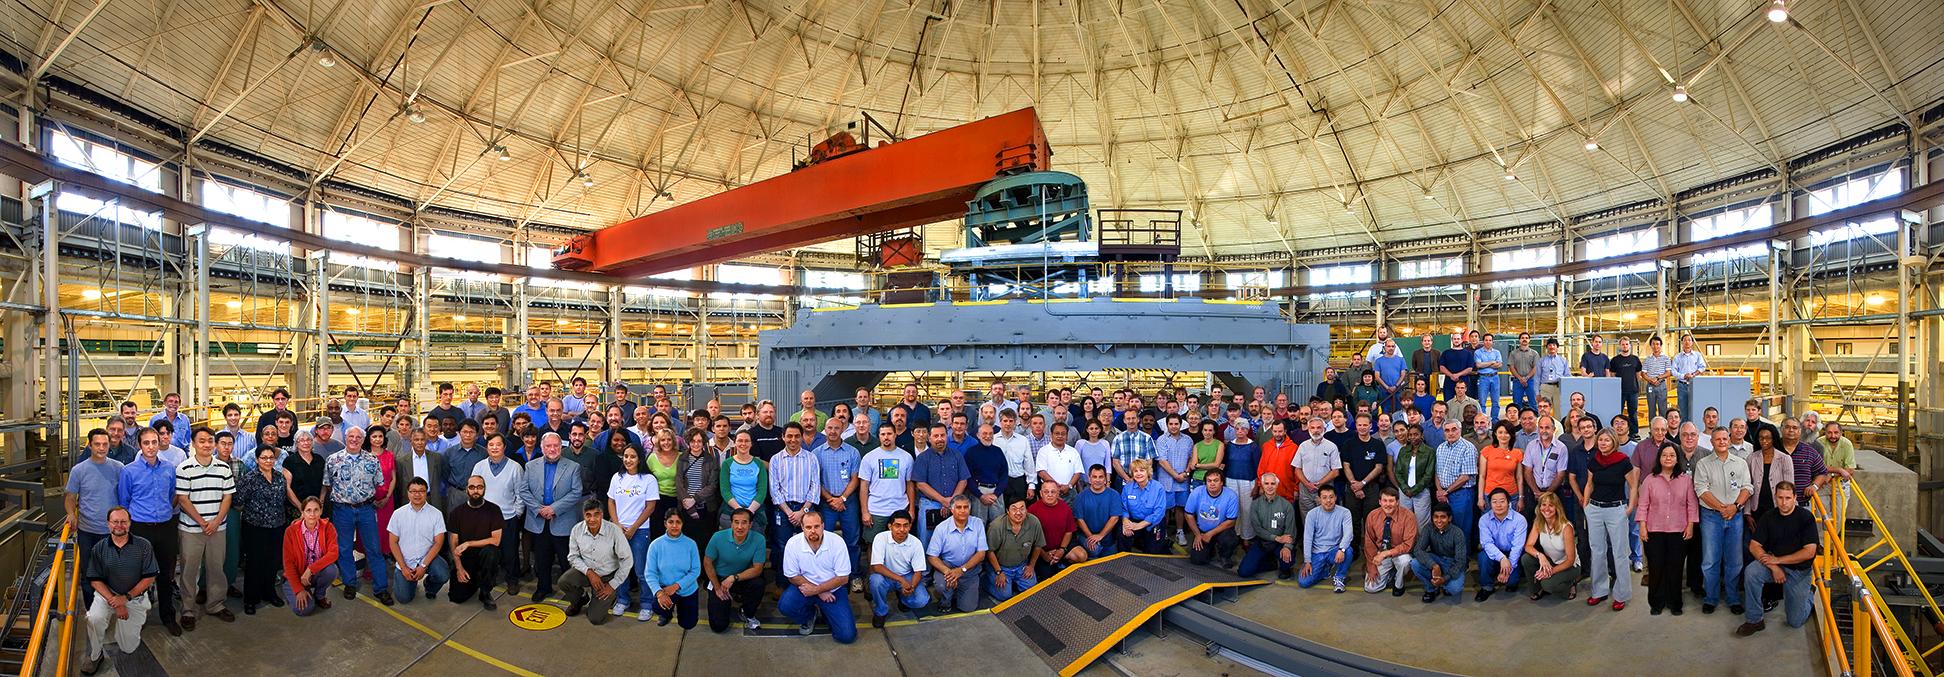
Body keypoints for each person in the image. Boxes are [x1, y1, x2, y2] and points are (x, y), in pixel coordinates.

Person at [80, 507, 156, 675]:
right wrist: (116, 601)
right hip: (107, 596)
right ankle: (95, 655)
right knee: (94, 618)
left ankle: (123, 631)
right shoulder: (99, 548)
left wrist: (126, 598)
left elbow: (149, 577)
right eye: (115, 522)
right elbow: (95, 579)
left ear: (130, 523)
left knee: (128, 647)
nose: (119, 525)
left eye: (124, 522)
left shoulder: (143, 545)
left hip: (134, 598)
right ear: (108, 524)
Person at [1738, 482, 1819, 636]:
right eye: (1780, 498)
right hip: (1776, 565)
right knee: (1752, 572)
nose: (1784, 502)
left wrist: (1778, 561)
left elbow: (1809, 552)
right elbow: (1754, 546)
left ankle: (1809, 594)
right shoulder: (1769, 517)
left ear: (1794, 498)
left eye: (1788, 498)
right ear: (1775, 497)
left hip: (1799, 571)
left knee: (1795, 622)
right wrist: (1774, 567)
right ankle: (1754, 619)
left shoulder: (1805, 517)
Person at [521, 433, 585, 603]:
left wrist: (553, 509)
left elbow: (576, 492)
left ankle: (572, 591)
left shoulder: (573, 467)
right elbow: (524, 491)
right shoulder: (530, 466)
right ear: (541, 448)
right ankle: (543, 587)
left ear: (561, 447)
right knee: (541, 559)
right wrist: (539, 510)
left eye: (556, 446)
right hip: (538, 522)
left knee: (566, 560)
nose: (552, 449)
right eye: (548, 446)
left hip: (563, 522)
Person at [1695, 426, 1752, 614]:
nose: (1721, 442)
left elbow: (1747, 487)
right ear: (1711, 442)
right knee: (1711, 559)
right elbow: (1701, 490)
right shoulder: (1703, 464)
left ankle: (1733, 598)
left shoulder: (1740, 463)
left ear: (1729, 440)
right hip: (1712, 517)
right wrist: (1722, 508)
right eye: (1717, 439)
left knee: (1734, 560)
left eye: (1724, 439)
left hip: (1735, 517)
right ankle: (1711, 598)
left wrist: (1734, 507)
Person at [1580, 428, 1638, 611]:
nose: (1603, 443)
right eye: (1601, 440)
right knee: (1597, 552)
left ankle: (1621, 594)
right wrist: (1586, 506)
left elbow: (1633, 485)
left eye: (1607, 440)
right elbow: (1589, 484)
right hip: (1595, 510)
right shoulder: (1594, 461)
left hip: (1616, 510)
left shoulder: (1623, 462)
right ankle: (1599, 591)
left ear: (1614, 442)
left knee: (1620, 554)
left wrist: (1629, 508)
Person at [67, 429, 124, 609]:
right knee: (89, 575)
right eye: (97, 444)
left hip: (113, 533)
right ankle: (93, 610)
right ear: (89, 445)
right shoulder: (79, 470)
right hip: (88, 532)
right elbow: (70, 498)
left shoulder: (118, 468)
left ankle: (111, 606)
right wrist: (70, 513)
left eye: (105, 444)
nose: (101, 448)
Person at [777, 510, 856, 642]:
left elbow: (843, 578)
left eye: (816, 526)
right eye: (808, 527)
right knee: (785, 605)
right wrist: (819, 591)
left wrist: (818, 590)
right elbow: (792, 577)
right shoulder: (793, 543)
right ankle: (809, 616)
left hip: (833, 590)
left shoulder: (837, 542)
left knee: (847, 636)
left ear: (823, 526)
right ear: (802, 528)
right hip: (804, 587)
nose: (813, 531)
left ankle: (827, 612)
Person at [1636, 443, 1696, 615]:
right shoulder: (1650, 480)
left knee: (1675, 568)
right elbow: (1643, 505)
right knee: (1656, 568)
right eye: (1664, 455)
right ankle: (1656, 603)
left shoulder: (1685, 480)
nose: (1668, 458)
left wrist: (1690, 525)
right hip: (1654, 530)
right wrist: (1642, 527)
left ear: (1677, 459)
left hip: (1679, 531)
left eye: (1672, 455)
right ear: (1659, 458)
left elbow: (1691, 505)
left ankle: (1675, 603)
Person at [557, 499, 630, 625]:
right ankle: (580, 599)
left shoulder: (614, 531)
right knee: (564, 581)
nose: (592, 519)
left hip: (607, 576)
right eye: (588, 515)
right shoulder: (577, 530)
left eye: (596, 514)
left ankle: (611, 597)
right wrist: (589, 573)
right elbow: (573, 557)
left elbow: (627, 560)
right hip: (586, 572)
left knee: (595, 619)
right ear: (584, 515)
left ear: (602, 515)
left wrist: (613, 584)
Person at [606, 445, 659, 619]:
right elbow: (611, 502)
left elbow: (650, 506)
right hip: (619, 531)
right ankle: (622, 599)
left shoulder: (648, 479)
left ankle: (646, 602)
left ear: (640, 459)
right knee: (621, 568)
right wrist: (616, 525)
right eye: (626, 456)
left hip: (640, 531)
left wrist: (634, 527)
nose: (628, 460)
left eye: (633, 457)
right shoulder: (617, 478)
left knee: (641, 570)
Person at [234, 446, 287, 614]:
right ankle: (251, 599)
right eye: (264, 458)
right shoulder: (249, 479)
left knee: (272, 563)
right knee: (255, 564)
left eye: (271, 457)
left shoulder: (280, 477)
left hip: (277, 526)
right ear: (256, 460)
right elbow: (238, 503)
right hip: (255, 528)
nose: (268, 461)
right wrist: (255, 513)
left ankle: (269, 593)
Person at [858, 425, 916, 567]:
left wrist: (911, 510)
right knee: (873, 546)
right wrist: (865, 511)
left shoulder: (906, 457)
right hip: (876, 510)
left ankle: (897, 577)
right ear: (879, 436)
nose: (886, 437)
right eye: (883, 434)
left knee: (899, 545)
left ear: (895, 435)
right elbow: (864, 487)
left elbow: (910, 485)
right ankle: (873, 578)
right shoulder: (869, 458)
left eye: (889, 433)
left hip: (899, 509)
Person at [704, 508, 768, 632]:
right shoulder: (718, 537)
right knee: (718, 626)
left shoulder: (759, 540)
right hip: (719, 580)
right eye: (736, 522)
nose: (740, 527)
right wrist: (717, 588)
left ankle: (747, 613)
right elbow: (707, 563)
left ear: (750, 525)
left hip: (740, 578)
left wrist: (734, 578)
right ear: (731, 524)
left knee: (758, 583)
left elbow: (757, 569)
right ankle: (724, 602)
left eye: (744, 522)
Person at [387, 478, 449, 604]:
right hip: (406, 561)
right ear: (408, 492)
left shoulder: (436, 514)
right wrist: (404, 568)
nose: (417, 494)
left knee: (443, 574)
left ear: (427, 492)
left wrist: (423, 566)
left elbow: (438, 542)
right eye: (413, 491)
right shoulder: (398, 514)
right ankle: (408, 581)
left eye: (421, 491)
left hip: (427, 558)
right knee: (404, 599)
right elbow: (393, 542)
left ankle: (430, 587)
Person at [445, 475, 503, 609]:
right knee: (456, 597)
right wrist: (459, 568)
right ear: (466, 490)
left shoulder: (494, 510)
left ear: (484, 489)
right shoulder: (456, 512)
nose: (475, 491)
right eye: (472, 487)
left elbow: (496, 540)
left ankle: (485, 591)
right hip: (466, 558)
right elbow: (453, 543)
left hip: (484, 556)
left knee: (492, 552)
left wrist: (468, 543)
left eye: (479, 487)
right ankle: (476, 579)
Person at [868, 510, 930, 627]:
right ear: (890, 526)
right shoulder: (880, 538)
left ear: (910, 526)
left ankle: (903, 598)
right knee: (875, 580)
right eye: (898, 525)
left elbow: (918, 571)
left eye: (905, 526)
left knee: (922, 600)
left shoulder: (916, 543)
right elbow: (877, 567)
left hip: (907, 575)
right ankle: (881, 611)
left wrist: (911, 587)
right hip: (886, 576)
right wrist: (901, 580)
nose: (902, 530)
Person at [928, 495, 989, 614]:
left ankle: (963, 586)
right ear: (952, 510)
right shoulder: (941, 528)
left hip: (969, 570)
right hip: (948, 567)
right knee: (942, 585)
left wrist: (962, 569)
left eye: (966, 507)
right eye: (958, 507)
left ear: (970, 509)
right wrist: (948, 572)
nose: (962, 510)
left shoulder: (978, 524)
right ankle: (946, 599)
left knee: (968, 608)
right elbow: (932, 556)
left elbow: (981, 554)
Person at [640, 511, 701, 628]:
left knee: (688, 624)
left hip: (686, 589)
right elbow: (650, 573)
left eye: (678, 522)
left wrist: (676, 586)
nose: (674, 526)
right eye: (671, 522)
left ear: (683, 524)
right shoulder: (655, 545)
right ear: (665, 523)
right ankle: (666, 613)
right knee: (658, 607)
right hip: (665, 589)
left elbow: (695, 571)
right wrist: (659, 593)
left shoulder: (691, 544)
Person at [279, 497, 338, 617]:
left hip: (312, 574)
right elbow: (288, 563)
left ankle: (319, 595)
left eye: (316, 510)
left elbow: (333, 553)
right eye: (308, 510)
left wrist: (310, 569)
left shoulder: (328, 527)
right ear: (302, 512)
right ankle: (291, 590)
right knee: (304, 610)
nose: (312, 514)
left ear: (321, 511)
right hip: (296, 576)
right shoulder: (291, 531)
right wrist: (299, 589)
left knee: (332, 570)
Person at [1520, 492, 1581, 600]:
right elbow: (1528, 546)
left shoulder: (1566, 527)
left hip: (1569, 566)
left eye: (1551, 505)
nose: (1546, 509)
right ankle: (1537, 589)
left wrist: (1550, 572)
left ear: (1557, 508)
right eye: (1543, 505)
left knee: (1548, 585)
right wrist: (1541, 556)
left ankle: (1570, 584)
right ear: (1539, 507)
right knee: (1526, 559)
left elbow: (1570, 560)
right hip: (1550, 561)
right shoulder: (1538, 522)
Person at [984, 495, 1045, 601]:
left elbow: (1038, 544)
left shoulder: (1034, 522)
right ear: (1007, 511)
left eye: (1022, 508)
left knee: (1033, 591)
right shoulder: (996, 527)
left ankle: (1013, 582)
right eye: (1014, 509)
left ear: (1026, 510)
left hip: (1021, 565)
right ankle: (985, 578)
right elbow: (990, 552)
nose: (1018, 513)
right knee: (1005, 596)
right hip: (1000, 566)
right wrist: (998, 572)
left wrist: (1031, 565)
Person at [1235, 473, 1295, 579]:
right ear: (1262, 485)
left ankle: (1284, 568)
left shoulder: (1286, 505)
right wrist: (1276, 538)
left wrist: (1286, 547)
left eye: (1272, 483)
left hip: (1280, 544)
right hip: (1263, 542)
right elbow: (1258, 529)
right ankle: (1270, 563)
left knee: (1289, 559)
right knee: (1243, 572)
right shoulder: (1255, 505)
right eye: (1266, 483)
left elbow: (1291, 530)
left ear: (1277, 485)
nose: (1269, 486)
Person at [1296, 485, 1353, 592]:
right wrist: (1307, 561)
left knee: (1348, 551)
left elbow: (1348, 534)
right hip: (1317, 553)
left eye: (1331, 497)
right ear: (1319, 499)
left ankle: (1339, 577)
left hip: (1334, 551)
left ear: (1336, 497)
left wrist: (1342, 549)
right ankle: (1326, 569)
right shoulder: (1312, 514)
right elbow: (1307, 538)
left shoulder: (1345, 513)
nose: (1328, 500)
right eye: (1324, 497)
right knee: (1304, 582)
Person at [1362, 488, 1418, 595]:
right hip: (1382, 553)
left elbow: (1408, 544)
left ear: (1397, 502)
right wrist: (1371, 566)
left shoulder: (1408, 516)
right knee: (1371, 588)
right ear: (1380, 502)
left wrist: (1386, 553)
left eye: (1391, 501)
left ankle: (1399, 584)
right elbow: (1369, 543)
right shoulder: (1372, 516)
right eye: (1385, 501)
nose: (1388, 504)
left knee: (1404, 562)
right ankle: (1391, 573)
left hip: (1401, 553)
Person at [1475, 488, 1527, 602]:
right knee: (1483, 556)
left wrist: (1508, 569)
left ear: (1508, 503)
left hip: (1512, 554)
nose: (1498, 505)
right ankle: (1486, 587)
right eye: (1494, 501)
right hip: (1495, 553)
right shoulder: (1484, 520)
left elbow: (1517, 547)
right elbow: (1487, 544)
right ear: (1490, 504)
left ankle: (1512, 574)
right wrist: (1502, 558)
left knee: (1510, 581)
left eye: (1502, 501)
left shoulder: (1519, 520)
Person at [1435, 420, 1478, 548]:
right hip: (1442, 495)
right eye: (1447, 430)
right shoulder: (1441, 448)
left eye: (1454, 429)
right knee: (1444, 529)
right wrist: (1440, 491)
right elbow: (1436, 472)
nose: (1451, 433)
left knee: (1461, 530)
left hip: (1461, 495)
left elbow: (1465, 476)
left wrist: (1446, 491)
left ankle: (1462, 564)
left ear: (1460, 430)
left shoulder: (1468, 448)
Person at [1412, 503, 1467, 602]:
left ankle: (1444, 584)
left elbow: (1460, 561)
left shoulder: (1458, 533)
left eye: (1443, 517)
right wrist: (1434, 565)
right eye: (1436, 517)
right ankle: (1432, 588)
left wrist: (1444, 579)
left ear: (1449, 518)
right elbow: (1418, 550)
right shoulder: (1428, 529)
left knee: (1455, 589)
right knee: (1415, 563)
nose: (1439, 521)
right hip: (1435, 559)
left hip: (1452, 562)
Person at [1186, 469, 1239, 567]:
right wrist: (1197, 534)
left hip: (1222, 530)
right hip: (1202, 531)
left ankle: (1225, 555)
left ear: (1222, 482)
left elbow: (1231, 521)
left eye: (1216, 480)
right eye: (1209, 481)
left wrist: (1210, 534)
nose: (1212, 484)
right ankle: (1210, 550)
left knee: (1230, 540)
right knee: (1197, 560)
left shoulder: (1231, 496)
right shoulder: (1197, 492)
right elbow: (1188, 514)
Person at [1072, 465, 1124, 559]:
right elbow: (1079, 519)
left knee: (1112, 563)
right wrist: (1091, 537)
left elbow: (1115, 518)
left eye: (1101, 477)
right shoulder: (1081, 496)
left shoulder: (1114, 495)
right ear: (1089, 478)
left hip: (1107, 539)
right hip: (1086, 536)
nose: (1097, 480)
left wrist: (1100, 535)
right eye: (1094, 477)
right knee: (1095, 550)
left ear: (1105, 478)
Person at [1671, 335, 1708, 421]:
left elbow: (1702, 367)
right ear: (1682, 342)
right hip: (1682, 386)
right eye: (1685, 340)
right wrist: (1683, 376)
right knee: (1682, 410)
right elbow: (1674, 371)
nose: (1687, 342)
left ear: (1692, 342)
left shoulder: (1697, 355)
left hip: (1694, 385)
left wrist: (1693, 374)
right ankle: (1682, 430)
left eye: (1689, 340)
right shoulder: (1677, 357)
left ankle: (1694, 430)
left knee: (1696, 408)